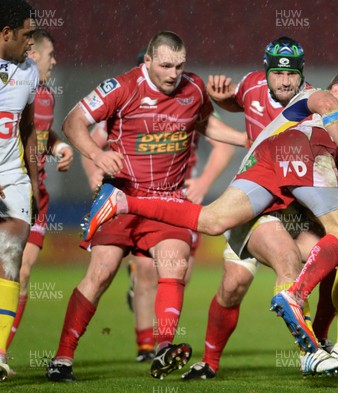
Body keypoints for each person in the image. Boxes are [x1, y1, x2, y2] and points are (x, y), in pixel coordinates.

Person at [81, 107, 338, 373]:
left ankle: (121, 201)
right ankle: (309, 311)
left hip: (274, 157)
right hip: (305, 149)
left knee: (213, 220)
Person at [45, 31, 244, 382]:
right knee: (101, 272)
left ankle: (162, 347)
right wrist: (96, 154)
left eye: (180, 66)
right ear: (148, 62)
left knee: (175, 265)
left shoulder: (193, 87)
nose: (173, 73)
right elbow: (72, 121)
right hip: (121, 197)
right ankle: (62, 359)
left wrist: (247, 138)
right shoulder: (121, 87)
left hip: (168, 198)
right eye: (166, 65)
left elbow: (205, 121)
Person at [189, 38, 338, 378]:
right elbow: (236, 106)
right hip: (254, 198)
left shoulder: (313, 101)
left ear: (302, 75)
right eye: (277, 73)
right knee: (233, 285)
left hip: (292, 206)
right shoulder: (250, 86)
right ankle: (208, 362)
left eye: (291, 74)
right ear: (266, 72)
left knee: (328, 256)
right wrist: (224, 104)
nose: (284, 81)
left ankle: (314, 347)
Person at [80, 52, 236, 364]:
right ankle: (148, 346)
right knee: (145, 273)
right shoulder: (128, 105)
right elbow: (91, 139)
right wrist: (95, 172)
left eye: (176, 69)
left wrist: (203, 182)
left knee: (180, 271)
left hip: (178, 200)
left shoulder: (187, 103)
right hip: (134, 197)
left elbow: (222, 142)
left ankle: (158, 335)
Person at [5, 29, 74, 351]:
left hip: (37, 196)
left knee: (23, 271)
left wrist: (60, 147)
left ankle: (2, 352)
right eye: (51, 55)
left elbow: (41, 134)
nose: (55, 61)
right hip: (12, 188)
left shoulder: (45, 94)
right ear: (33, 55)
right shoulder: (12, 87)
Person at [0, 0, 39, 382]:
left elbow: (27, 128)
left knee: (11, 253)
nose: (31, 43)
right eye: (26, 35)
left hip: (11, 175)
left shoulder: (29, 70)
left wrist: (36, 182)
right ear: (6, 33)